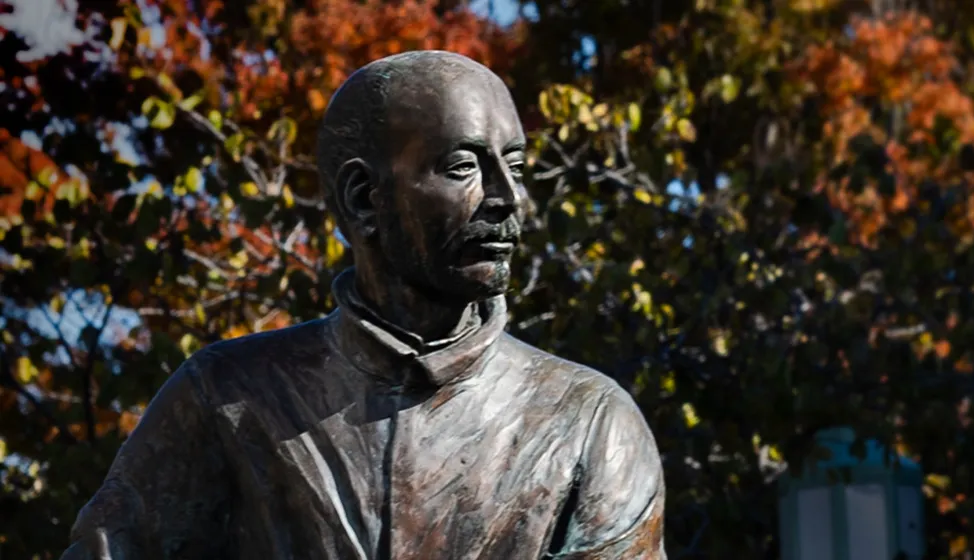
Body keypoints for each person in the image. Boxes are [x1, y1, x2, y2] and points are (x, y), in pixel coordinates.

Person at [61, 50, 667, 560]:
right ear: (362, 197)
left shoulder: (589, 422)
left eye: (514, 166)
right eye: (463, 167)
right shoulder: (228, 397)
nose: (508, 198)